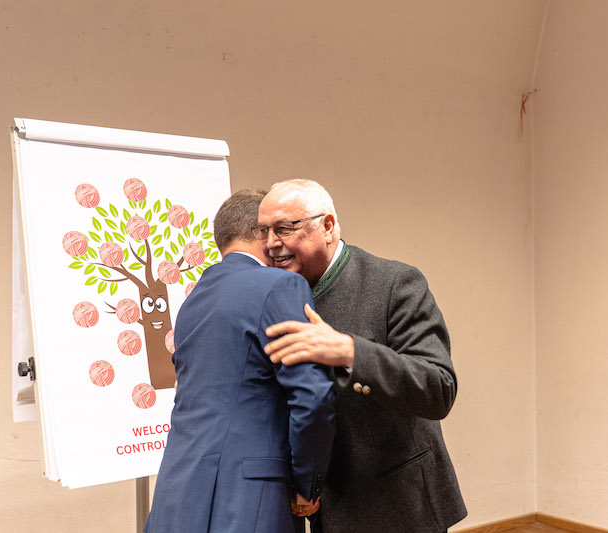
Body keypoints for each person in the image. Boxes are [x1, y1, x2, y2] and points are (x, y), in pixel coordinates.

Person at [256, 179, 467, 533]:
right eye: (264, 231)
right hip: (325, 510)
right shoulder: (275, 297)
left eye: (284, 228)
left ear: (327, 226)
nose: (271, 243)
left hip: (401, 507)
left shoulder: (395, 283)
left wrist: (348, 351)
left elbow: (438, 388)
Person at [144, 189, 336, 533]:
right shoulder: (282, 286)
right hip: (248, 502)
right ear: (263, 233)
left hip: (178, 496)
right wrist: (307, 484)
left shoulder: (193, 300)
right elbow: (312, 396)